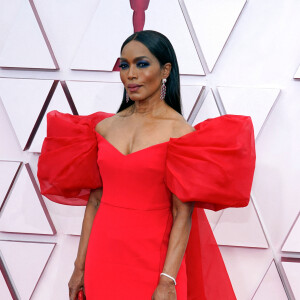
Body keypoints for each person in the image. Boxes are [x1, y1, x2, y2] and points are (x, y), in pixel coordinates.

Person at [37, 30, 256, 300]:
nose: (131, 74)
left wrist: (167, 280)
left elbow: (182, 215)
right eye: (124, 65)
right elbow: (94, 202)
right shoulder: (104, 128)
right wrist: (79, 266)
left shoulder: (182, 134)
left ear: (165, 70)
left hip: (153, 260)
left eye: (142, 64)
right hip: (102, 256)